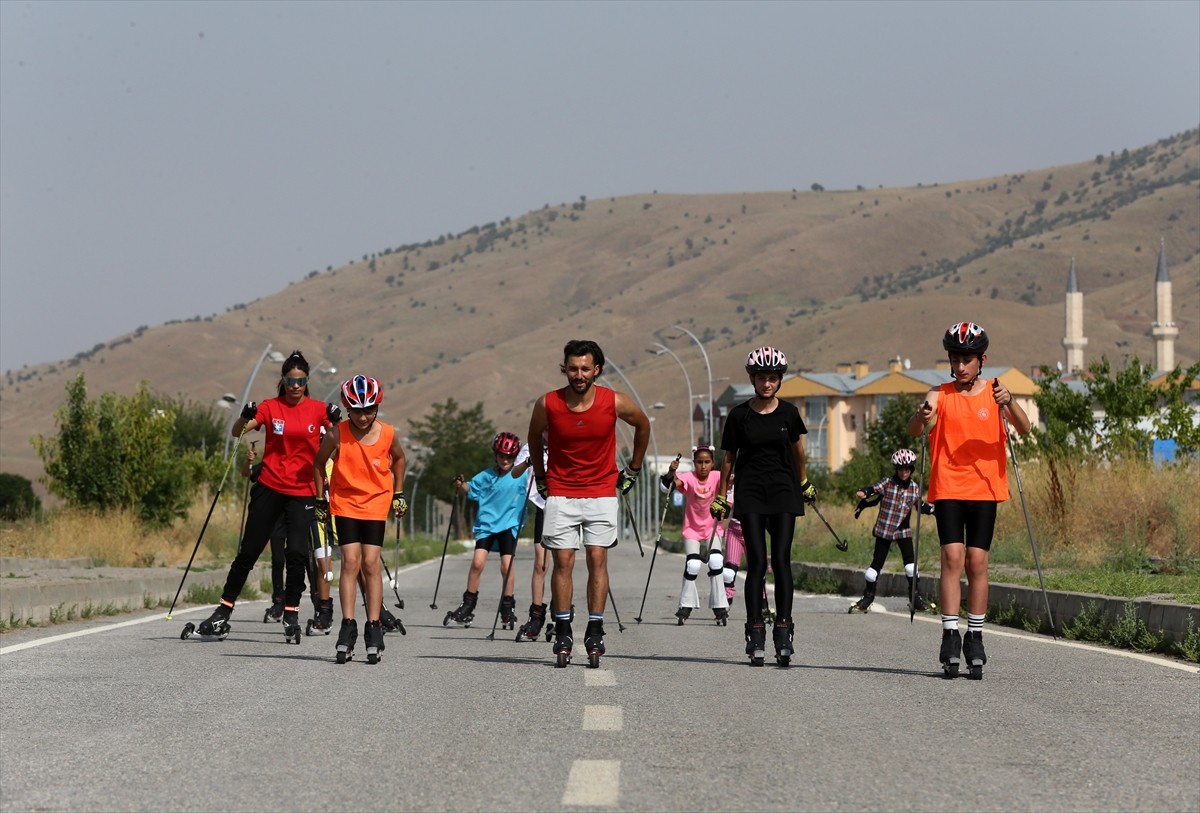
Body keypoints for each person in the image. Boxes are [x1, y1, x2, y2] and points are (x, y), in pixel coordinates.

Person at [908, 321, 1030, 680]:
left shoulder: (995, 392)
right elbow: (916, 429)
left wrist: (1011, 403)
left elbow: (1023, 428)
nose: (960, 366)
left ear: (981, 360)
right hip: (947, 487)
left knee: (977, 561)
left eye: (967, 359)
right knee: (952, 557)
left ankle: (975, 636)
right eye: (955, 359)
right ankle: (949, 635)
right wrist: (921, 416)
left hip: (985, 490)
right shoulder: (939, 393)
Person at [196, 350, 337, 642]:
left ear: (307, 381)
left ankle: (291, 611)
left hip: (303, 492)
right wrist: (244, 416)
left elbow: (339, 439)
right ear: (282, 380)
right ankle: (223, 609)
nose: (295, 386)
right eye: (290, 380)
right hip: (270, 486)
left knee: (297, 553)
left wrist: (336, 419)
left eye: (300, 381)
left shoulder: (318, 409)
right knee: (249, 551)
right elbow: (238, 432)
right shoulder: (270, 407)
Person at [527, 339, 650, 668]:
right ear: (564, 368)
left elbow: (643, 425)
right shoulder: (548, 404)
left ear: (597, 370)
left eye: (585, 368)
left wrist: (634, 469)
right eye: (572, 368)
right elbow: (534, 436)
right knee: (563, 563)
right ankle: (564, 628)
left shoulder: (614, 401)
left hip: (601, 492)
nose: (578, 374)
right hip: (562, 493)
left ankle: (595, 628)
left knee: (597, 560)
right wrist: (541, 477)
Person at [711, 346, 815, 667]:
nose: (767, 383)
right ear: (752, 379)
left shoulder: (789, 413)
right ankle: (755, 630)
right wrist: (720, 493)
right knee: (756, 563)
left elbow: (798, 451)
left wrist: (804, 481)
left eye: (772, 378)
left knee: (781, 560)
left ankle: (783, 630)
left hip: (784, 492)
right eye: (761, 377)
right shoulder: (739, 416)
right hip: (751, 492)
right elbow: (728, 457)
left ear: (779, 380)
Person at [314, 375, 407, 664]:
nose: (364, 417)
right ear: (346, 408)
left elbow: (400, 459)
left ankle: (374, 626)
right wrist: (320, 499)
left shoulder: (388, 433)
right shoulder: (336, 434)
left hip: (376, 504)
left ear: (377, 407)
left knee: (370, 563)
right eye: (357, 410)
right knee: (351, 562)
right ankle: (348, 626)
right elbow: (318, 464)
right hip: (345, 504)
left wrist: (399, 493)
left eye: (369, 410)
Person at [444, 432, 529, 631]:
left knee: (506, 566)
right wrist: (460, 484)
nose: (505, 460)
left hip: (509, 525)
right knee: (477, 562)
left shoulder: (521, 476)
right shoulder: (486, 475)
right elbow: (472, 489)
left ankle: (508, 608)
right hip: (487, 526)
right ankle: (468, 605)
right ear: (495, 455)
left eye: (509, 457)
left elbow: (536, 487)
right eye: (501, 456)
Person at [848, 449, 934, 614]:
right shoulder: (888, 482)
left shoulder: (915, 488)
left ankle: (915, 599)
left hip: (903, 531)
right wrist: (864, 492)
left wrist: (936, 510)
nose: (904, 472)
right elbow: (873, 489)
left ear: (912, 469)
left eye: (907, 469)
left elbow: (920, 505)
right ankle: (868, 597)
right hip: (885, 529)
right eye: (901, 469)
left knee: (911, 567)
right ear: (896, 469)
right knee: (874, 569)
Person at [660, 445, 729, 625]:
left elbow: (733, 484)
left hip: (713, 528)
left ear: (713, 463)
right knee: (693, 565)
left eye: (707, 462)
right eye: (699, 462)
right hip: (692, 529)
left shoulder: (717, 477)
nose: (703, 466)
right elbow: (667, 488)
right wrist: (670, 473)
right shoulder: (688, 478)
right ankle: (685, 605)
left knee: (716, 561)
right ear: (694, 463)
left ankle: (720, 606)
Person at [512, 433, 551, 642]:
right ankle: (536, 616)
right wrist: (529, 461)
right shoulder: (531, 446)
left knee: (564, 563)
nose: (547, 433)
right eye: (543, 428)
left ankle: (561, 612)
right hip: (544, 507)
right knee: (541, 563)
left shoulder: (567, 441)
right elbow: (515, 473)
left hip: (566, 504)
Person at [718, 475, 773, 621]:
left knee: (758, 569)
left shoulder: (760, 486)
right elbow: (728, 505)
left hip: (753, 531)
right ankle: (725, 604)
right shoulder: (735, 486)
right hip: (735, 531)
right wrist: (722, 505)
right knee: (729, 572)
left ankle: (762, 605)